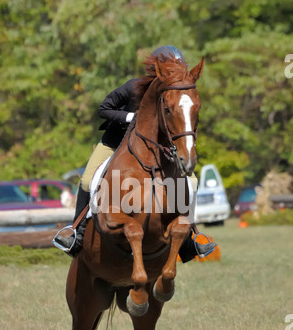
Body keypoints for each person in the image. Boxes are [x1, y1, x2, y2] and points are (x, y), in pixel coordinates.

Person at [53, 46, 216, 260]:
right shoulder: (133, 86)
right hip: (114, 142)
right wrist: (130, 117)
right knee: (86, 180)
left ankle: (189, 238)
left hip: (155, 148)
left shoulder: (174, 94)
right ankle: (76, 231)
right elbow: (103, 108)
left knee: (191, 183)